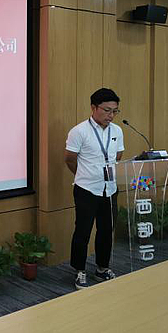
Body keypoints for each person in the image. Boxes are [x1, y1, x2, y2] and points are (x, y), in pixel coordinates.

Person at [64, 88, 124, 290]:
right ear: (93, 107)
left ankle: (102, 268)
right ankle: (79, 270)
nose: (111, 115)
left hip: (110, 188)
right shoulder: (79, 131)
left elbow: (118, 156)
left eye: (115, 111)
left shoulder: (117, 131)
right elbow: (69, 159)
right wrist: (85, 175)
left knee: (106, 230)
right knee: (83, 231)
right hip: (86, 189)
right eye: (107, 110)